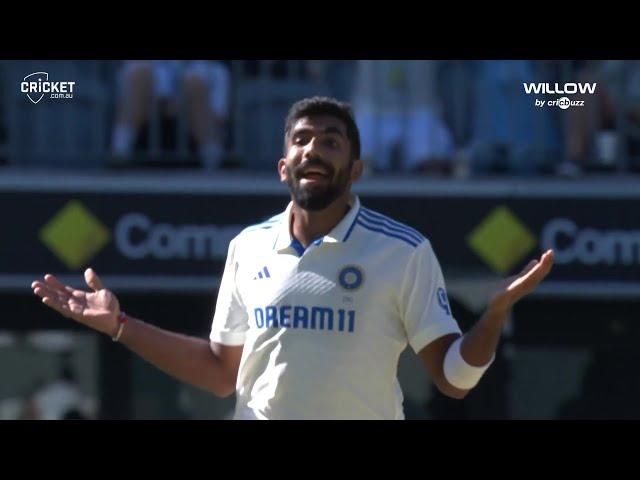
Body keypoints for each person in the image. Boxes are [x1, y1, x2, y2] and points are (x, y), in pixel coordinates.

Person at [31, 97, 555, 420]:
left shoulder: (404, 250)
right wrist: (120, 325)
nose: (313, 150)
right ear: (284, 168)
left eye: (330, 142)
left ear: (356, 170)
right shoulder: (247, 246)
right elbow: (220, 374)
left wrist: (493, 316)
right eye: (302, 141)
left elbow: (455, 380)